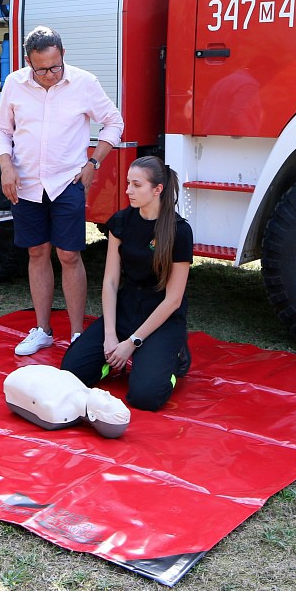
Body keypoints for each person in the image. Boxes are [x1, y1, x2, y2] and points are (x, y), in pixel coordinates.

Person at [0, 26, 124, 355]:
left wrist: (94, 162)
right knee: (36, 252)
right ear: (28, 62)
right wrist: (6, 165)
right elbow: (1, 130)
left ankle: (78, 334)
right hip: (26, 183)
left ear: (63, 55)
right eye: (42, 69)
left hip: (68, 182)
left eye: (55, 66)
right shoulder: (14, 84)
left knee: (68, 255)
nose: (50, 74)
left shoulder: (84, 83)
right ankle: (43, 329)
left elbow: (114, 122)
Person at [61, 156, 192, 411]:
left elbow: (173, 299)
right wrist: (110, 336)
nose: (128, 190)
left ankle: (174, 358)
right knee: (71, 374)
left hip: (161, 317)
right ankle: (112, 357)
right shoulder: (121, 222)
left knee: (146, 396)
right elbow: (110, 281)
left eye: (136, 185)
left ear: (158, 190)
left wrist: (132, 343)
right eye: (128, 183)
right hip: (127, 306)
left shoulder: (179, 231)